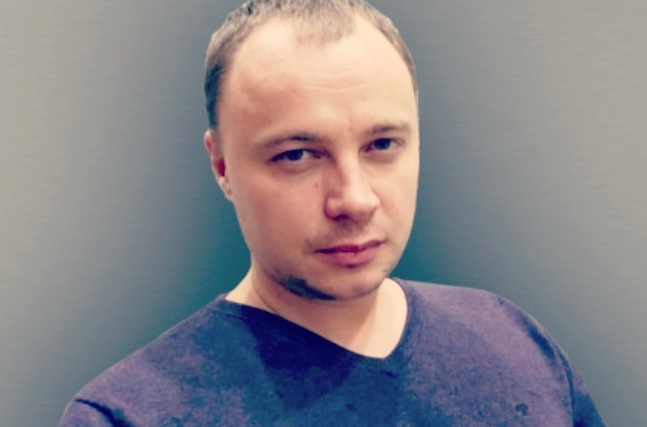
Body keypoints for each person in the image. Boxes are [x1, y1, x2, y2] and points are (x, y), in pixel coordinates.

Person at [58, 0, 606, 426]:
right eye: (298, 155)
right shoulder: (127, 416)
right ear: (221, 165)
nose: (355, 200)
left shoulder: (515, 343)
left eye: (382, 145)